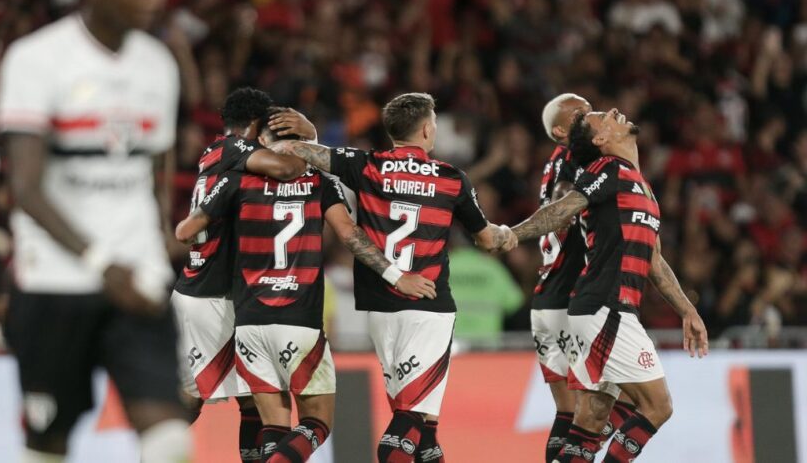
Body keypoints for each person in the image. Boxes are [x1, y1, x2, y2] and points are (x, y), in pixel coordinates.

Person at [0, 0, 188, 461]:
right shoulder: (37, 59)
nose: (154, 0)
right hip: (56, 280)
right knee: (48, 444)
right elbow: (25, 189)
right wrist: (101, 264)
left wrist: (157, 247)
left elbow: (152, 171)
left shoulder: (158, 66)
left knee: (170, 439)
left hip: (137, 279)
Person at [174, 108, 436, 462]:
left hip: (250, 320)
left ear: (262, 142)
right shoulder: (320, 182)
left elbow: (186, 231)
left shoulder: (237, 180)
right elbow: (350, 235)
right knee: (316, 422)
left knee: (272, 426)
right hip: (299, 319)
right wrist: (395, 276)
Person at [269, 93, 512, 463]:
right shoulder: (451, 179)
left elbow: (309, 155)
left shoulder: (365, 165)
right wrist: (509, 234)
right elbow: (486, 238)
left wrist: (303, 136)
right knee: (408, 423)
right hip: (427, 309)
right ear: (429, 130)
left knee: (425, 431)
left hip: (380, 310)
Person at [503, 109, 709, 462]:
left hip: (602, 308)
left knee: (594, 414)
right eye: (603, 117)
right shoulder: (606, 171)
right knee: (657, 406)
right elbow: (562, 209)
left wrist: (687, 310)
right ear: (601, 140)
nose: (613, 111)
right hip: (605, 306)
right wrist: (511, 234)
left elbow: (655, 263)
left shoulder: (641, 185)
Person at [171, 87, 314, 462]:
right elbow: (289, 168)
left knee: (254, 397)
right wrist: (309, 136)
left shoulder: (214, 151)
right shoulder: (238, 151)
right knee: (189, 400)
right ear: (256, 125)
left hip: (214, 290)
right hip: (210, 297)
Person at [534, 94, 639, 461]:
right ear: (561, 132)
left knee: (570, 414)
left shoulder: (559, 162)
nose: (591, 117)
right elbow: (562, 203)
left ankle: (579, 449)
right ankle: (581, 451)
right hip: (572, 299)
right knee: (630, 398)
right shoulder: (573, 159)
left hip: (547, 300)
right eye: (581, 115)